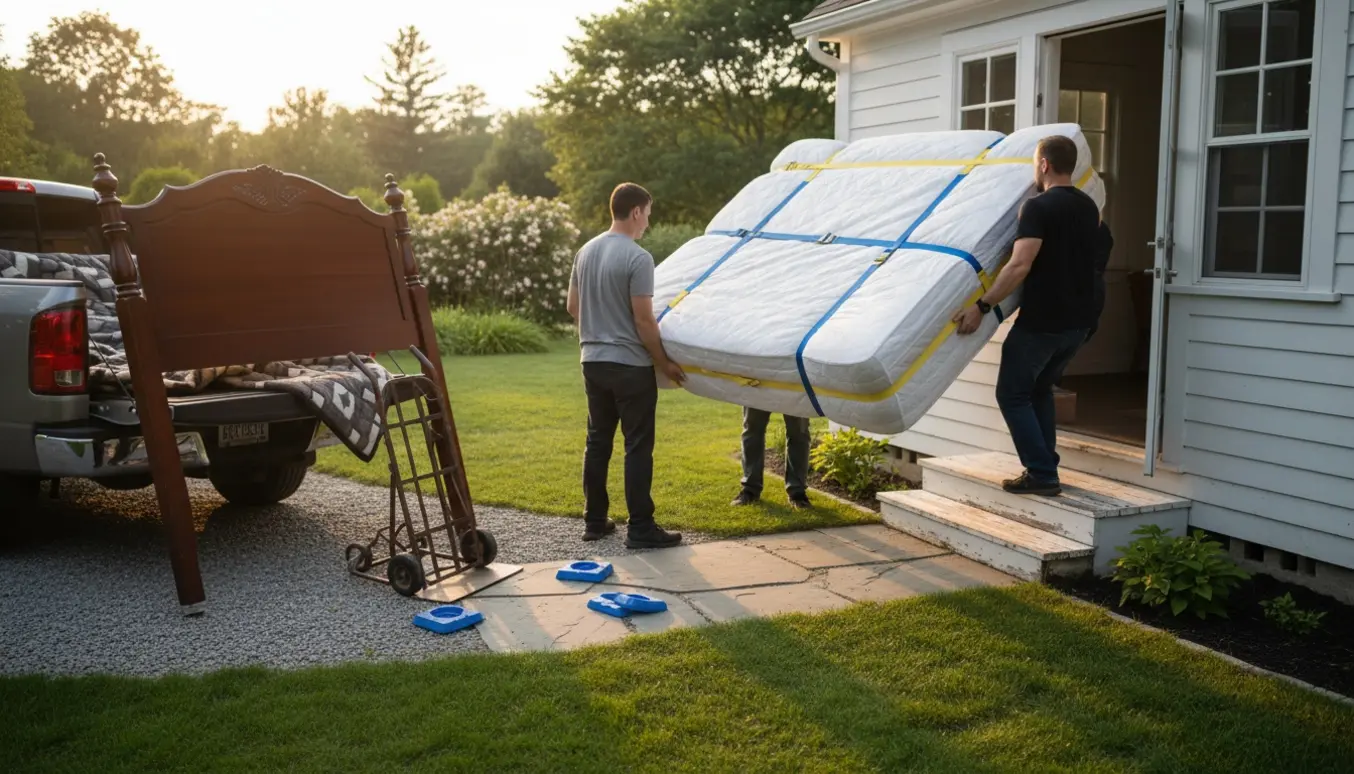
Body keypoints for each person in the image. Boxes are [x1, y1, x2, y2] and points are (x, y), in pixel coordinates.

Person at [951, 135, 1101, 496]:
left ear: (1044, 164)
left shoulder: (1038, 207)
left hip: (1044, 321)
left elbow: (1019, 265)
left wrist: (982, 306)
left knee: (1012, 394)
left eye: (1036, 163)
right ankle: (1045, 465)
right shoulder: (1088, 207)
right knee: (1038, 391)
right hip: (1079, 323)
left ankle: (1042, 473)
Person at [567, 182, 686, 548]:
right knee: (636, 445)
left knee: (598, 441)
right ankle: (640, 528)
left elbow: (573, 307)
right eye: (648, 213)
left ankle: (595, 521)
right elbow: (644, 321)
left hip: (592, 362)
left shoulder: (585, 251)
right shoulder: (638, 257)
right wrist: (664, 363)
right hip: (630, 367)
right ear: (636, 211)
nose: (648, 222)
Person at [731, 409, 812, 509]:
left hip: (796, 393)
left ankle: (798, 494)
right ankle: (750, 490)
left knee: (799, 432)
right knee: (752, 429)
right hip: (757, 394)